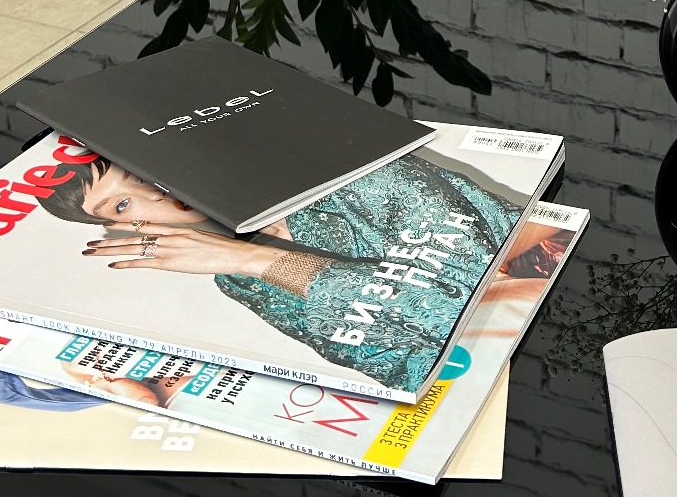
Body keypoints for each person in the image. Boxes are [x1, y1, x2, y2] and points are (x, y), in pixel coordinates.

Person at [39, 148, 550, 395]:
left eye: (142, 170)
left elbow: (475, 301)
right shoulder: (236, 279)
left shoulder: (343, 170)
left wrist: (256, 260)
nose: (159, 193)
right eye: (122, 203)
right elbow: (405, 366)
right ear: (127, 227)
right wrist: (247, 264)